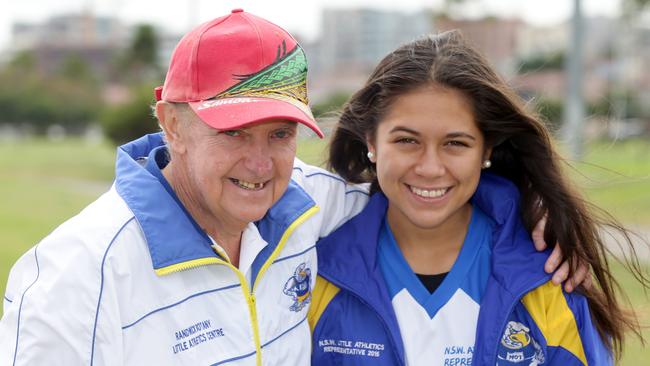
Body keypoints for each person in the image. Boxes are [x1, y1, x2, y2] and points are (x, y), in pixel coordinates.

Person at [0, 10, 582, 366]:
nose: (259, 162)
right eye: (233, 132)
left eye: (280, 133)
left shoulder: (305, 205)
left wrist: (534, 211)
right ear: (171, 123)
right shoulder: (77, 271)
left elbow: (419, 190)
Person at [309, 31, 646, 365]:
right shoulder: (314, 272)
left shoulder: (544, 275)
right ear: (371, 142)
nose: (430, 168)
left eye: (455, 143)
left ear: (486, 149)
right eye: (407, 141)